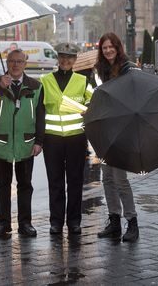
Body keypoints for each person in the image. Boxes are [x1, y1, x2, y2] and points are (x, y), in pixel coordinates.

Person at [0, 49, 45, 238]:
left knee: (25, 184)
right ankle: (3, 224)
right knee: (3, 184)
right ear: (7, 63)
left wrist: (39, 141)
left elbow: (41, 115)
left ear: (25, 64)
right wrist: (0, 88)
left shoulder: (36, 86)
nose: (15, 65)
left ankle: (25, 223)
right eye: (12, 61)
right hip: (2, 143)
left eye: (19, 61)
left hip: (26, 143)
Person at [41, 43, 93, 235]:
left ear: (75, 60)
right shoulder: (45, 81)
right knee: (54, 182)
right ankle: (56, 222)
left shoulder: (82, 80)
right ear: (57, 58)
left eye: (70, 57)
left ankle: (74, 221)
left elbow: (94, 100)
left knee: (75, 181)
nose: (65, 60)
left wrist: (87, 106)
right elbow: (39, 110)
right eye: (62, 56)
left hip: (76, 139)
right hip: (52, 139)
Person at [95, 32, 139, 242]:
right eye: (104, 48)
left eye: (111, 46)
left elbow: (132, 98)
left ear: (118, 47)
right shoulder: (101, 70)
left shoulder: (127, 69)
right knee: (107, 178)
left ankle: (132, 222)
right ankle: (114, 221)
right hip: (106, 129)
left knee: (120, 178)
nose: (108, 50)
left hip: (123, 129)